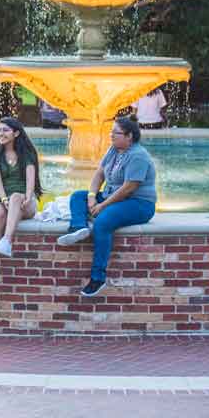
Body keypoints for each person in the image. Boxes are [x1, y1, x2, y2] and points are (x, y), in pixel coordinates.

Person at [58, 116, 157, 297]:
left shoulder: (138, 156)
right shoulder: (114, 150)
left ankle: (98, 277)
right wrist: (90, 197)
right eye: (111, 131)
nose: (111, 135)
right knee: (77, 196)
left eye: (115, 133)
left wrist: (102, 205)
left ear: (129, 136)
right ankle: (79, 227)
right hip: (113, 196)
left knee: (103, 222)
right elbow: (99, 174)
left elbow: (129, 188)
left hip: (138, 203)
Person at [0, 117, 44, 285]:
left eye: (5, 130)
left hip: (25, 200)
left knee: (16, 197)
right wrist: (4, 199)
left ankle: (7, 240)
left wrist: (27, 196)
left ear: (16, 133)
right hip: (2, 198)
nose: (1, 133)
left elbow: (30, 179)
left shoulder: (28, 153)